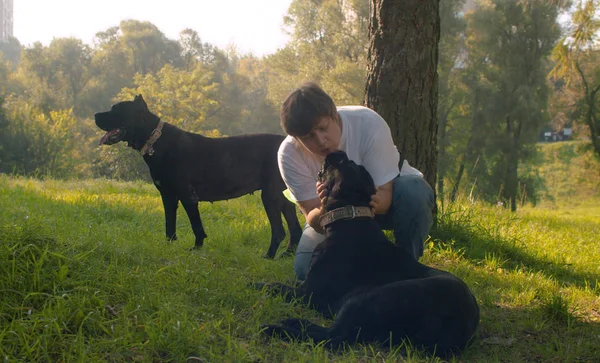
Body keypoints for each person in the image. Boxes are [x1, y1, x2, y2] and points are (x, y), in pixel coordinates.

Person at [277, 81, 435, 281]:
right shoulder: (288, 154)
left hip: (384, 207)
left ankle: (406, 267)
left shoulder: (368, 123)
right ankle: (365, 275)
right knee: (304, 271)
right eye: (308, 137)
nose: (320, 141)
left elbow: (385, 198)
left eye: (323, 128)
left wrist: (345, 207)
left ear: (334, 113)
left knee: (414, 192)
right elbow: (312, 217)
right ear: (295, 138)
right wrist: (326, 208)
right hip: (334, 221)